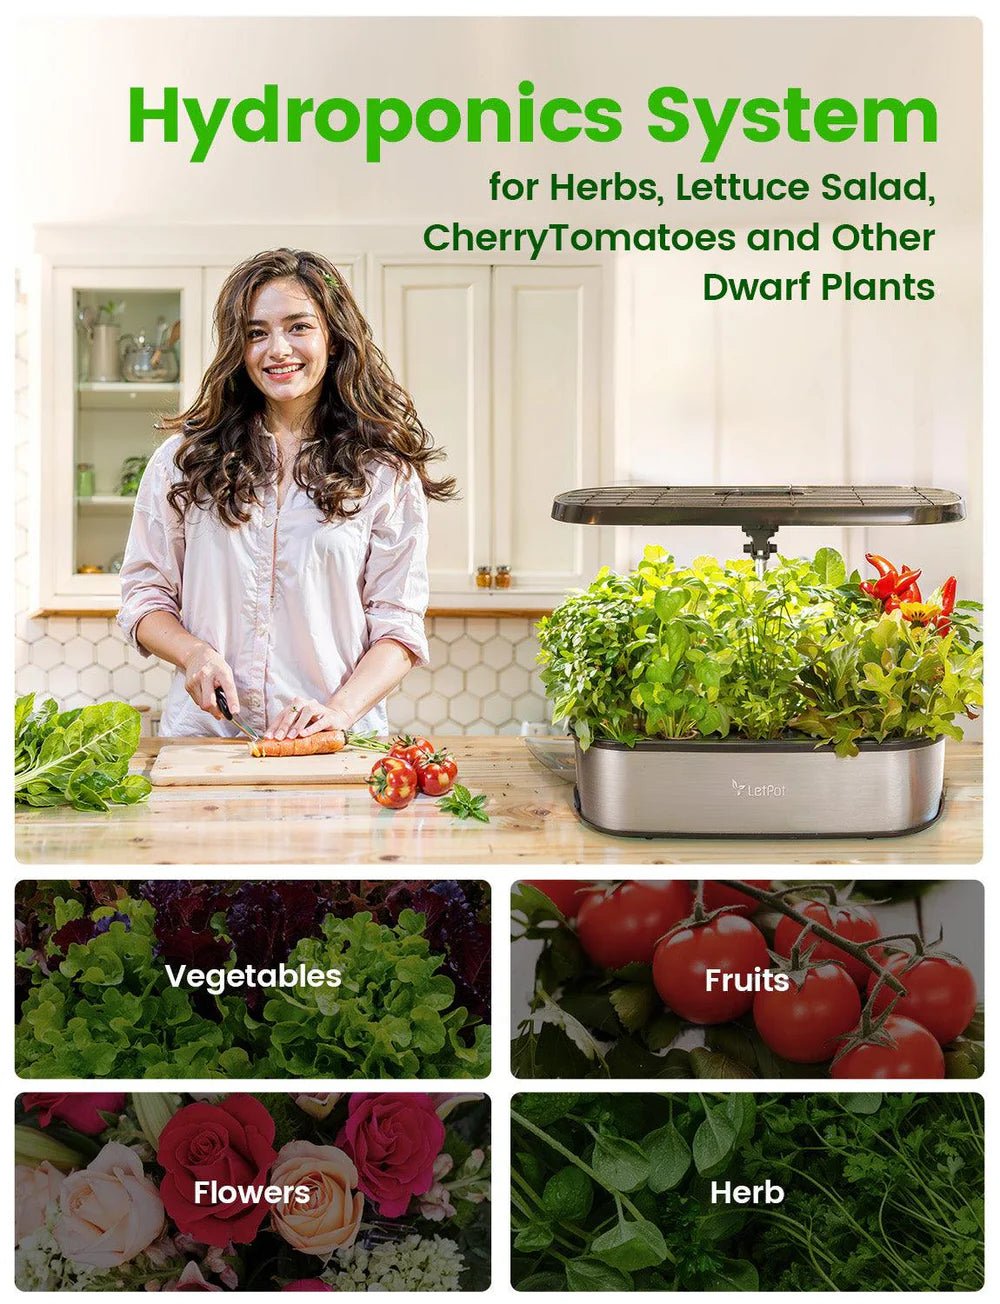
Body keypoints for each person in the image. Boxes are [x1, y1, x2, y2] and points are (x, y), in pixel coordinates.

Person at [117, 247, 454, 740]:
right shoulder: (181, 462)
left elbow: (398, 627)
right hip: (209, 743)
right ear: (238, 347)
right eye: (257, 333)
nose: (277, 349)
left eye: (298, 327)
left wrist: (338, 712)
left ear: (334, 339)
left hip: (335, 745)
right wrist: (194, 653)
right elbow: (144, 597)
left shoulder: (383, 473)